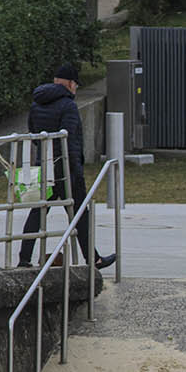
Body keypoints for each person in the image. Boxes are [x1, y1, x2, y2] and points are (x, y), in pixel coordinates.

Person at [18, 63, 116, 270]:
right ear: (71, 83)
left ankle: (24, 259)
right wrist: (76, 173)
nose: (76, 89)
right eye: (76, 85)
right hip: (66, 170)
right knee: (80, 214)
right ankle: (93, 259)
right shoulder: (68, 105)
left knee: (37, 212)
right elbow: (69, 141)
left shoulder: (37, 102)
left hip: (44, 168)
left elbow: (34, 132)